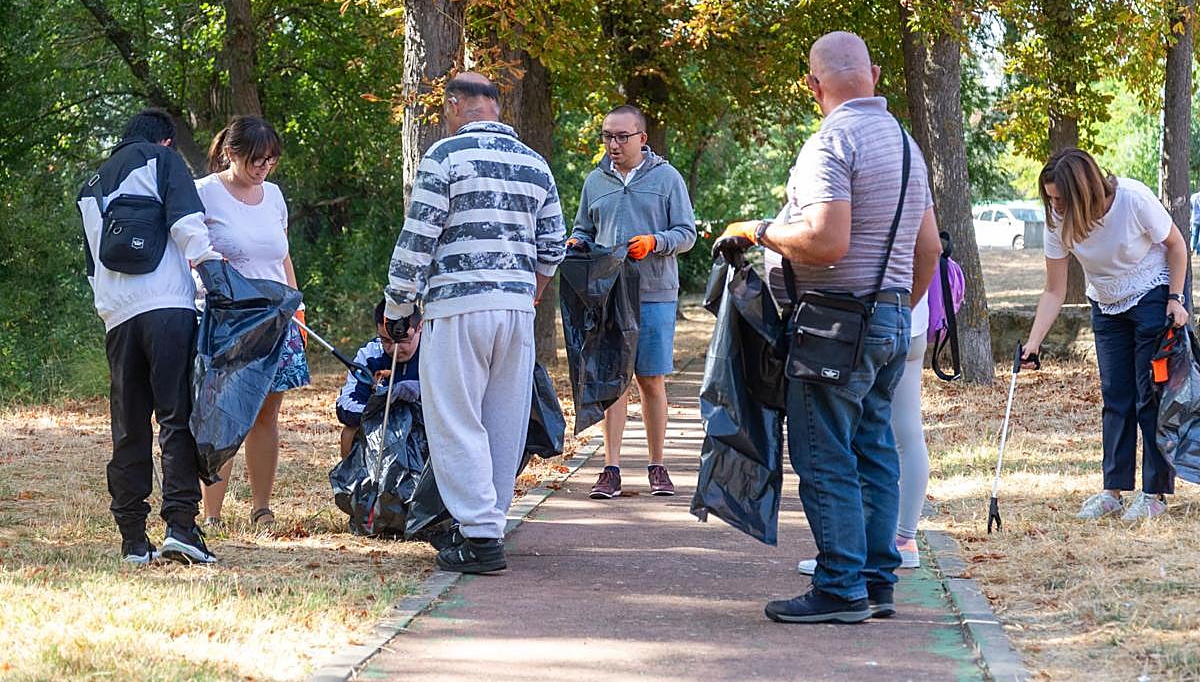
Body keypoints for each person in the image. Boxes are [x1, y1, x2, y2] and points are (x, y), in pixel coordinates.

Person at [715, 31, 941, 624]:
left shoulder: (832, 142)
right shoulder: (905, 144)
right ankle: (876, 580)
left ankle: (840, 586)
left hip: (832, 328)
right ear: (873, 73)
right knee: (873, 447)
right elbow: (931, 247)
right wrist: (892, 307)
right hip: (889, 317)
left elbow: (827, 241)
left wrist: (759, 231)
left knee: (824, 457)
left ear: (813, 85)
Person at [384, 72, 565, 574]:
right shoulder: (535, 164)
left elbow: (417, 239)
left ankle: (480, 537)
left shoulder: (444, 157)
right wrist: (528, 298)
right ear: (496, 108)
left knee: (456, 417)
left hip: (457, 305)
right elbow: (553, 247)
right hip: (515, 309)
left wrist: (399, 308)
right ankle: (490, 522)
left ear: (452, 106)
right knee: (502, 420)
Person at [76, 108, 222, 565]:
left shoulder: (91, 186)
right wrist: (213, 270)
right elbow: (185, 224)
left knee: (130, 427)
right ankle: (180, 527)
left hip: (118, 318)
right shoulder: (163, 162)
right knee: (176, 418)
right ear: (166, 142)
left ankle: (133, 539)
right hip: (166, 308)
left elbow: (91, 267)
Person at [1022, 148, 1190, 521]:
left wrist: (1176, 299)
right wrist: (1033, 343)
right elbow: (1054, 290)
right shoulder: (1057, 220)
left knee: (1149, 397)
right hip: (1107, 304)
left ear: (1084, 191)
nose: (1056, 207)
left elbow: (1177, 245)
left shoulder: (1132, 200)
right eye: (1050, 198)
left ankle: (1154, 495)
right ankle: (1112, 492)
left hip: (1152, 293)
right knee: (1116, 396)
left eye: (1061, 199)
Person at [568, 105, 696, 499]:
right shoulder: (596, 181)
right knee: (613, 380)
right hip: (607, 294)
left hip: (654, 292)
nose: (613, 144)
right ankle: (610, 469)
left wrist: (656, 242)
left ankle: (658, 466)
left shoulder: (667, 178)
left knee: (651, 380)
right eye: (607, 136)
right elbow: (583, 229)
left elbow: (687, 233)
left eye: (622, 136)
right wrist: (577, 244)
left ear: (642, 138)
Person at [195, 115, 309, 531]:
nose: (263, 168)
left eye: (270, 161)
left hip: (278, 320)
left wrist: (297, 308)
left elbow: (282, 257)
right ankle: (211, 514)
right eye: (256, 160)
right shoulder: (203, 194)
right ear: (230, 153)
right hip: (228, 321)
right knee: (222, 414)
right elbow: (192, 256)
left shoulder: (274, 196)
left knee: (266, 416)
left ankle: (262, 507)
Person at [799, 293, 930, 576]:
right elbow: (930, 252)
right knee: (901, 434)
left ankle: (847, 554)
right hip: (907, 320)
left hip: (861, 320)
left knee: (841, 440)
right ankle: (904, 541)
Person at [336, 299, 422, 459]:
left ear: (419, 328)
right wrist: (381, 404)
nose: (394, 348)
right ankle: (361, 483)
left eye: (404, 340)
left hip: (427, 431)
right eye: (386, 340)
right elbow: (345, 405)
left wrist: (421, 391)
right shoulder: (370, 354)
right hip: (381, 429)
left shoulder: (435, 352)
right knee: (349, 433)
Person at [1190, 188, 1200, 253]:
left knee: (1194, 235)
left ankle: (1192, 249)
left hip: (1194, 219)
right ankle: (1198, 251)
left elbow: (1190, 207)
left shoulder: (1193, 196)